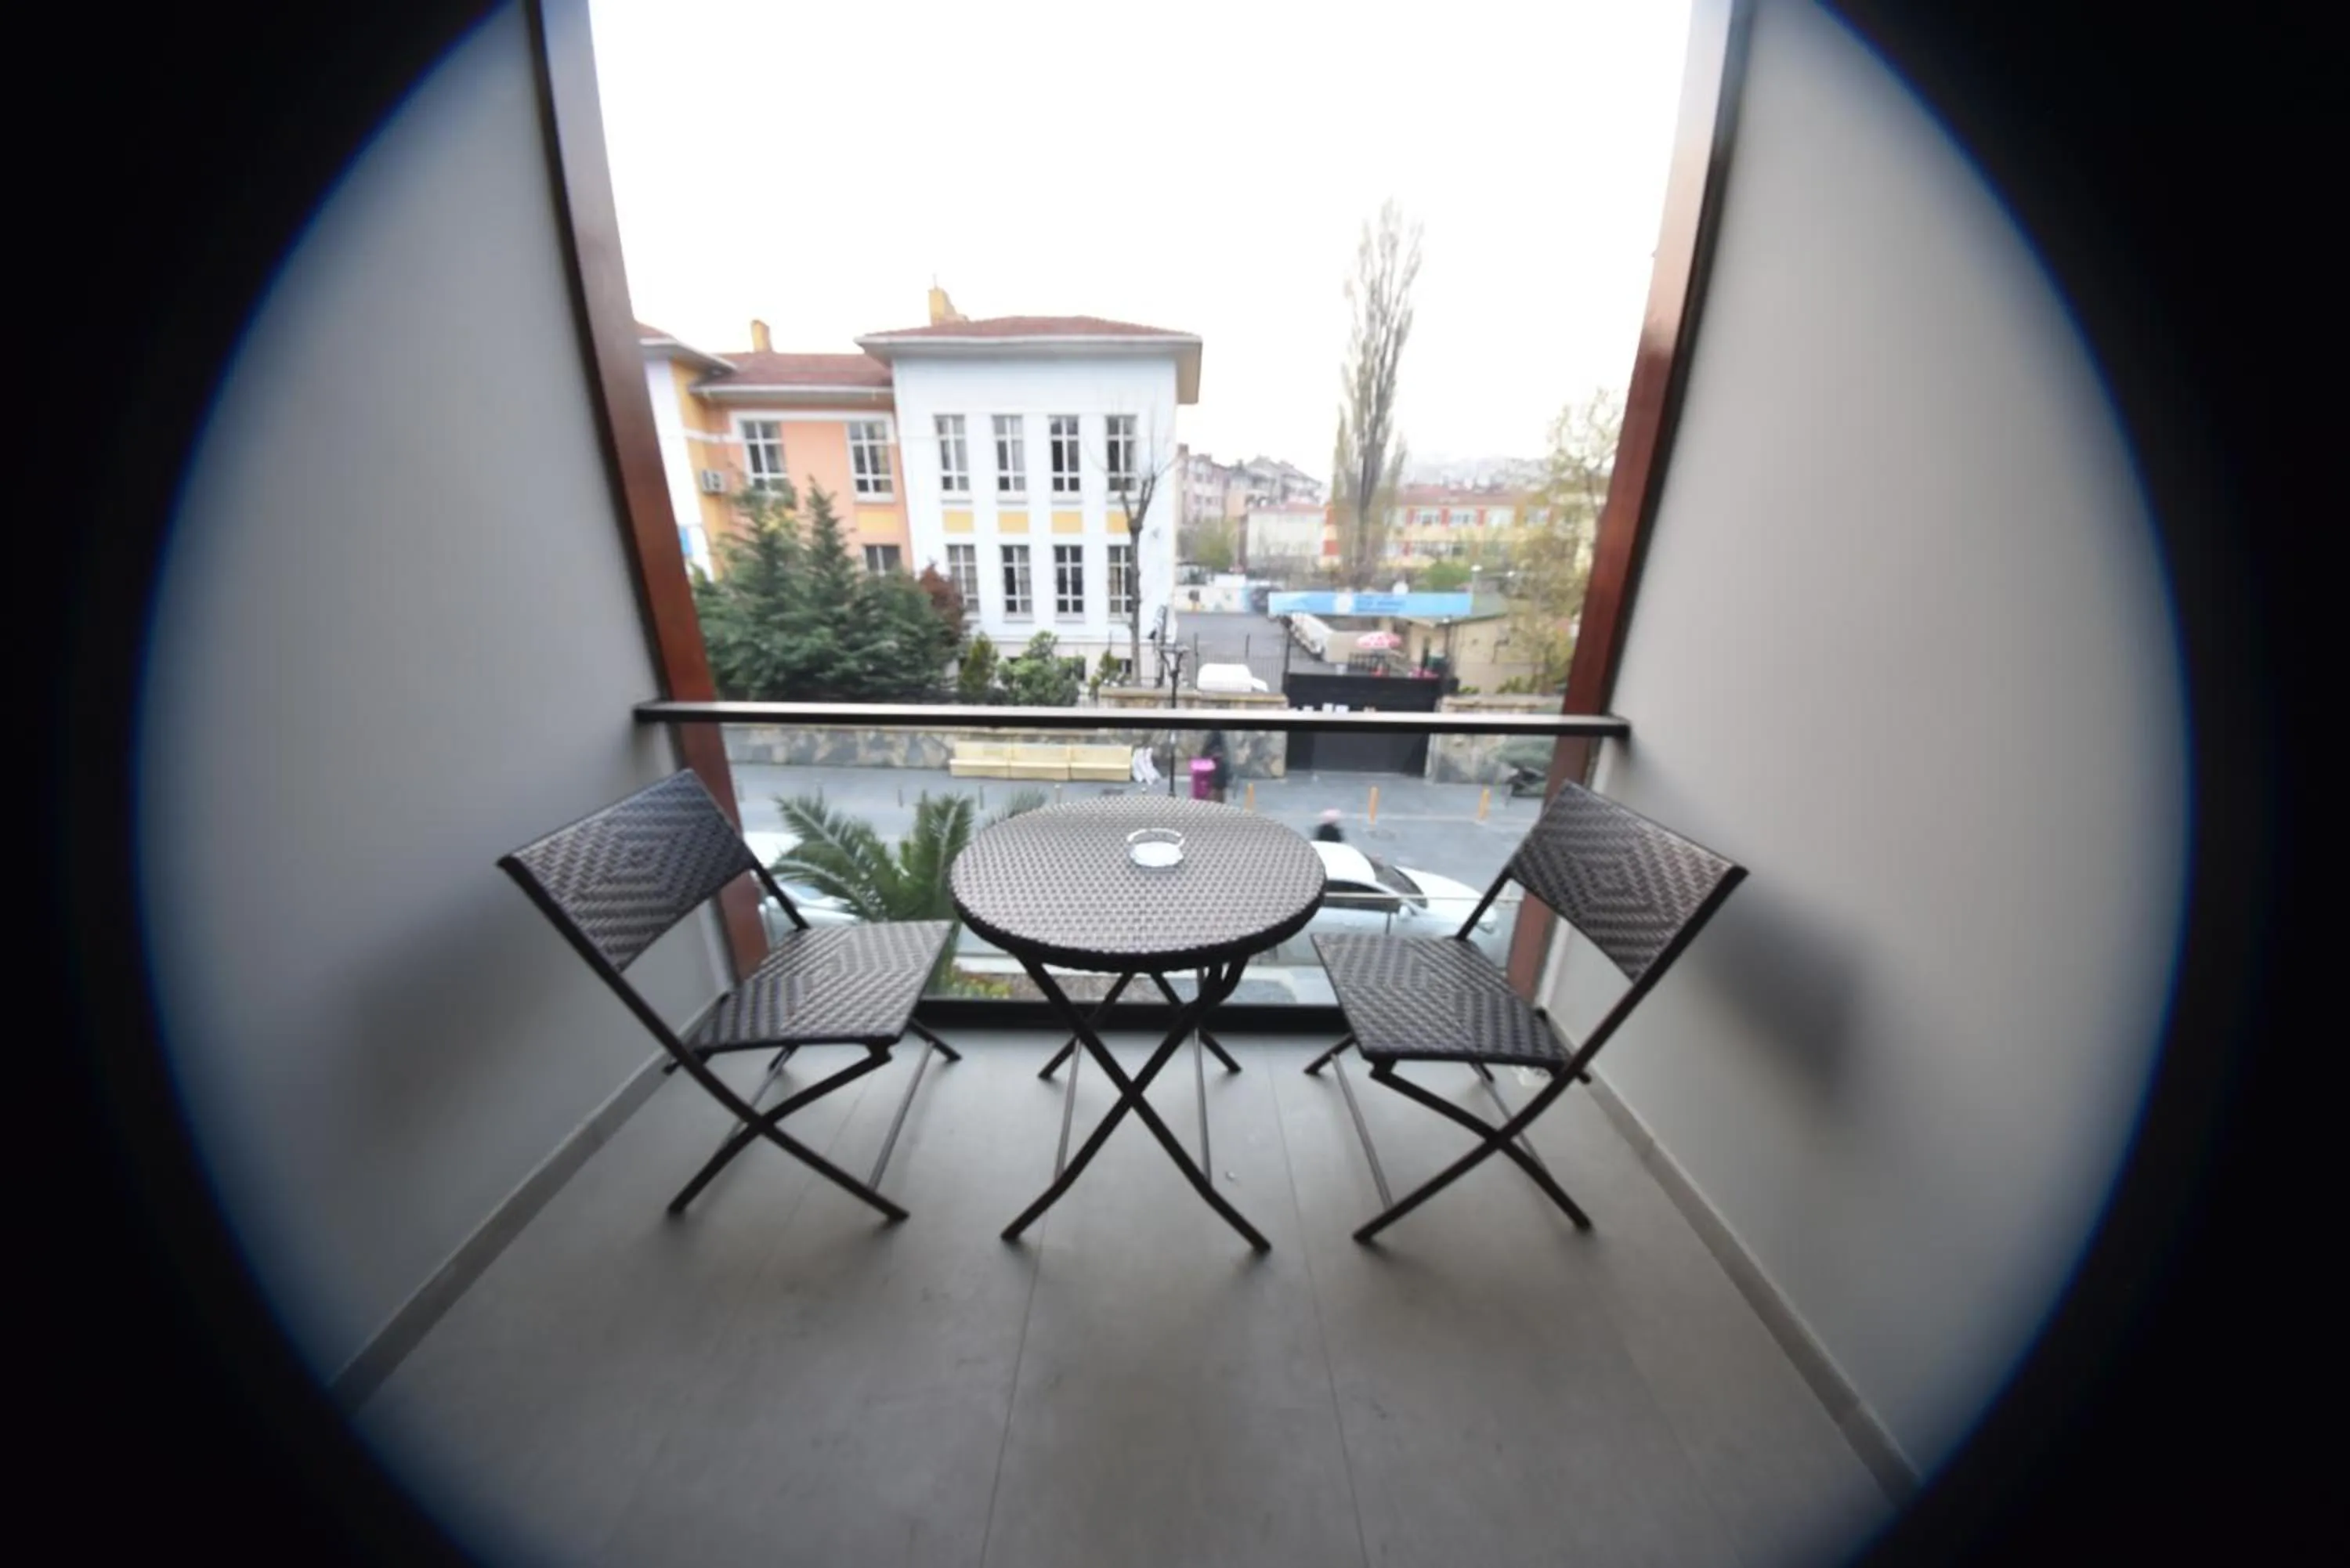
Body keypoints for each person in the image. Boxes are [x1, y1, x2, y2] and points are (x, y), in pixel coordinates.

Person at [1202, 729, 1231, 804]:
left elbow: (1204, 754)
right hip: (1217, 773)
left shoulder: (1211, 740)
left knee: (1216, 791)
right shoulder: (1220, 741)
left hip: (1213, 773)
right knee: (1218, 792)